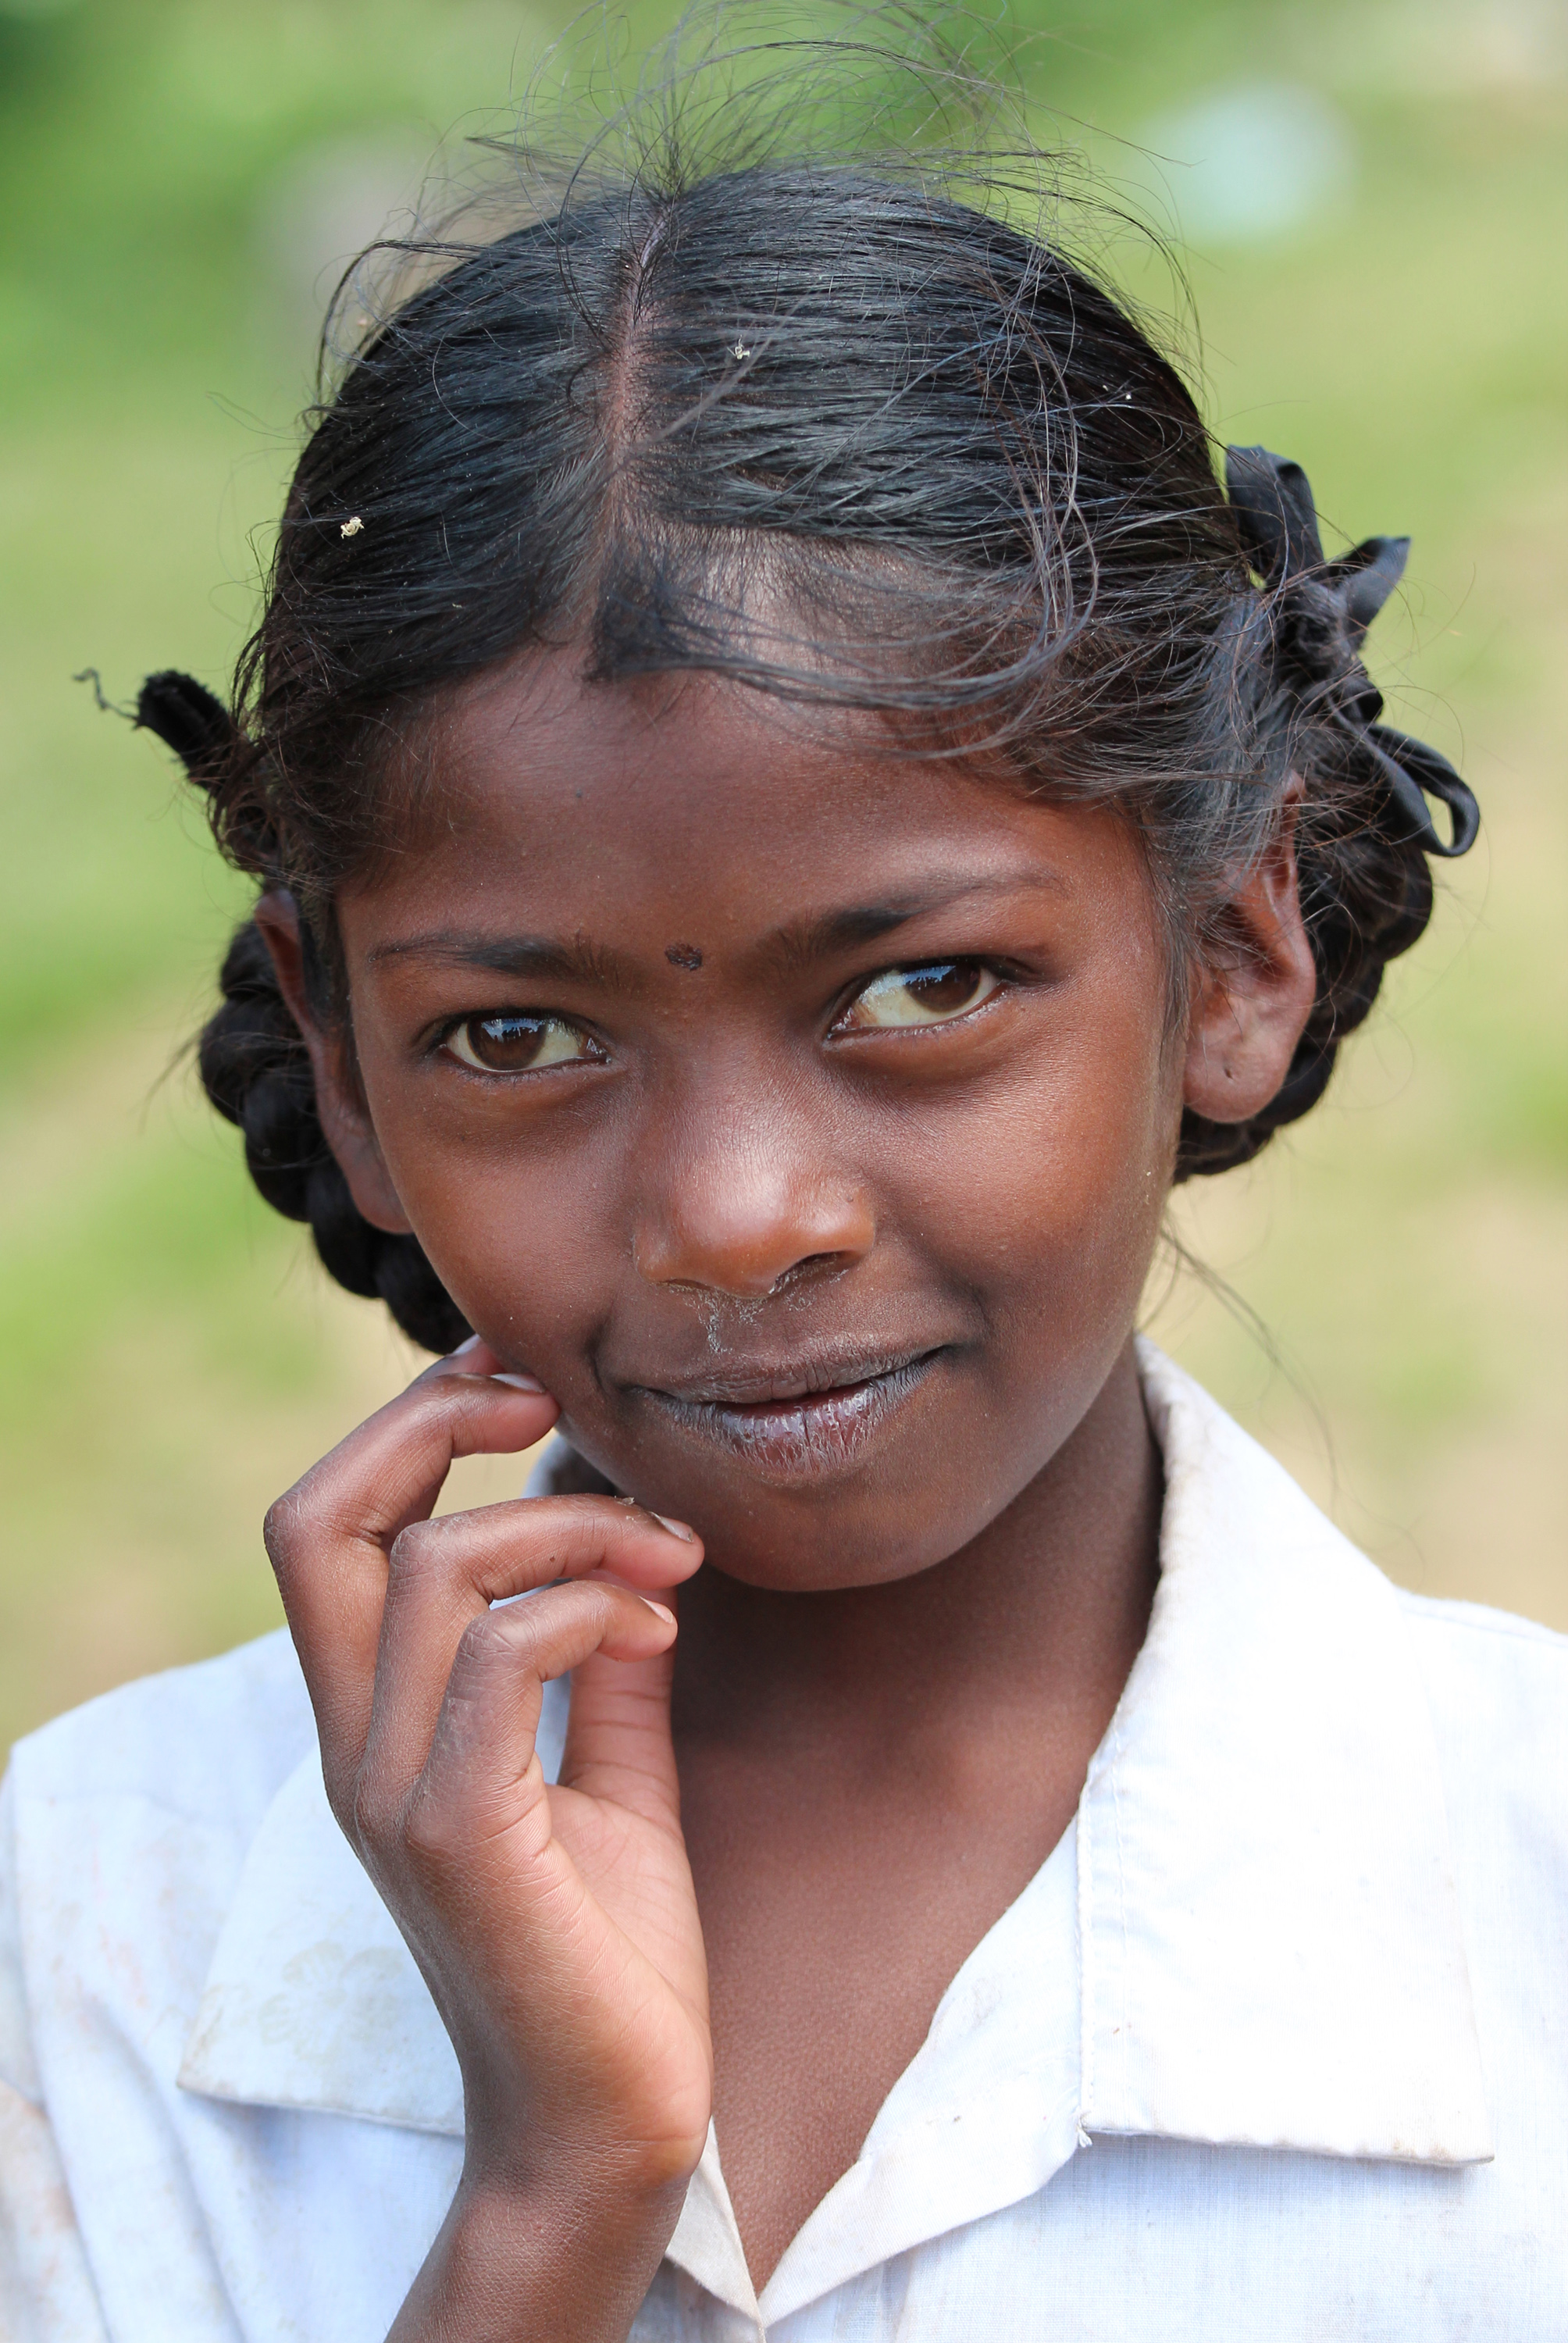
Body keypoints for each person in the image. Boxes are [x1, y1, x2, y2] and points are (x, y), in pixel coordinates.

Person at [2, 38, 1563, 2343]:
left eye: (925, 989)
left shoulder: (1524, 1895)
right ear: (339, 1064)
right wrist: (554, 2208)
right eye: (518, 1038)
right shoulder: (82, 1928)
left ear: (1232, 952)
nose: (740, 1217)